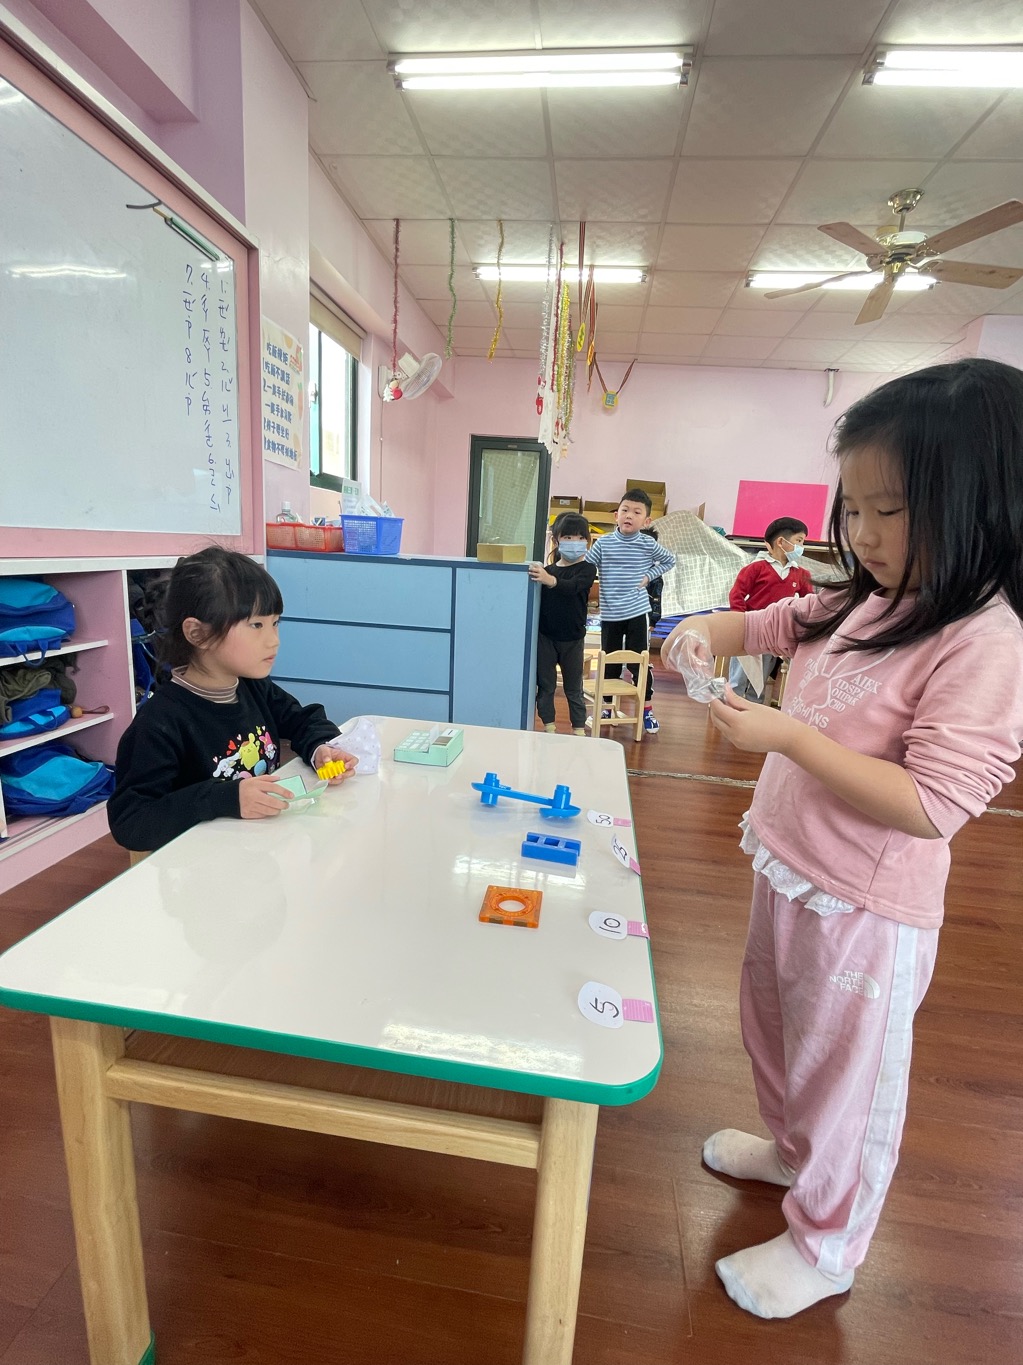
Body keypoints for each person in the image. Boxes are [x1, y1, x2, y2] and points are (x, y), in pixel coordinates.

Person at [661, 358, 1023, 1321]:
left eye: (888, 510)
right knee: (775, 1032)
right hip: (788, 869)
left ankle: (827, 1246)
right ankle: (792, 1154)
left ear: (980, 501)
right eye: (850, 508)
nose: (860, 533)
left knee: (846, 1080)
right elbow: (769, 624)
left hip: (866, 907)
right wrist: (705, 633)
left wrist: (788, 737)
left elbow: (932, 803)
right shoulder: (863, 595)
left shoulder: (984, 639)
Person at [109, 546, 357, 853]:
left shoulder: (254, 688)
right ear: (197, 634)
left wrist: (321, 749)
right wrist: (225, 798)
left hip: (259, 854)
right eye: (256, 625)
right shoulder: (160, 723)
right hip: (202, 869)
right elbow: (131, 820)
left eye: (275, 623)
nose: (274, 640)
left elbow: (301, 719)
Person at [586, 488, 676, 733]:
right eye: (625, 510)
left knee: (639, 662)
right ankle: (606, 707)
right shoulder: (604, 543)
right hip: (610, 614)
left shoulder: (647, 543)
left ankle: (646, 710)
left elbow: (670, 560)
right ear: (616, 515)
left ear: (646, 521)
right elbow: (586, 568)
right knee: (609, 662)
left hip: (637, 612)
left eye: (637, 512)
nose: (629, 515)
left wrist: (649, 576)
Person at [727, 517, 815, 700]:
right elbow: (736, 595)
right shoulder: (756, 568)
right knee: (739, 678)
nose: (801, 547)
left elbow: (809, 602)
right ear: (781, 542)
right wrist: (740, 621)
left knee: (760, 681)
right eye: (799, 540)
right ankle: (730, 706)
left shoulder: (800, 574)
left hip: (774, 634)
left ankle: (754, 709)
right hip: (750, 629)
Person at [528, 512, 597, 735]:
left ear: (587, 541)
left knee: (574, 689)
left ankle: (579, 730)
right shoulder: (547, 571)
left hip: (573, 640)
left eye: (580, 538)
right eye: (568, 537)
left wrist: (550, 580)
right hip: (546, 638)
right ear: (556, 540)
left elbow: (572, 587)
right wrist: (546, 577)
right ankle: (549, 727)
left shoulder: (587, 570)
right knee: (546, 686)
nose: (574, 542)